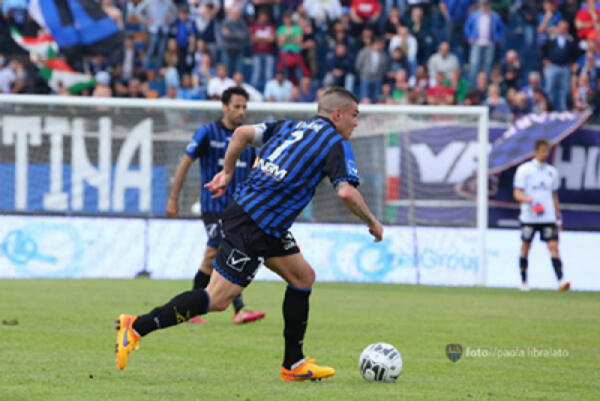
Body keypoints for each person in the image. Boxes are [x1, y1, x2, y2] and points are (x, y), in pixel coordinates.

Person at [114, 87, 384, 382]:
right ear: (337, 114)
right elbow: (346, 192)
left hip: (264, 221)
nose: (356, 123)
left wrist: (227, 172)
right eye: (354, 115)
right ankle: (136, 326)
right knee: (217, 299)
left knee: (303, 277)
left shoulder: (290, 127)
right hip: (254, 223)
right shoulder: (335, 144)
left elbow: (242, 133)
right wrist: (371, 221)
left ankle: (294, 364)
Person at [164, 86, 265, 324]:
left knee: (226, 254)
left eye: (244, 107)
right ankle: (199, 310)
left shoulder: (248, 136)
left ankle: (233, 310)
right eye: (237, 106)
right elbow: (185, 164)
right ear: (224, 107)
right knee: (215, 251)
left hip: (240, 208)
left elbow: (256, 167)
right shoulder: (207, 132)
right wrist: (173, 198)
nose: (242, 111)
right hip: (214, 206)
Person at [513, 138, 570, 293]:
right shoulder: (525, 170)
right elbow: (517, 193)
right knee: (525, 248)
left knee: (554, 247)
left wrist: (558, 216)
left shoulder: (552, 172)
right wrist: (530, 201)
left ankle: (561, 281)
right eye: (543, 151)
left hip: (547, 217)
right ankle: (524, 282)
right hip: (529, 217)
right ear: (536, 151)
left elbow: (554, 196)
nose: (545, 154)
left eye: (547, 151)